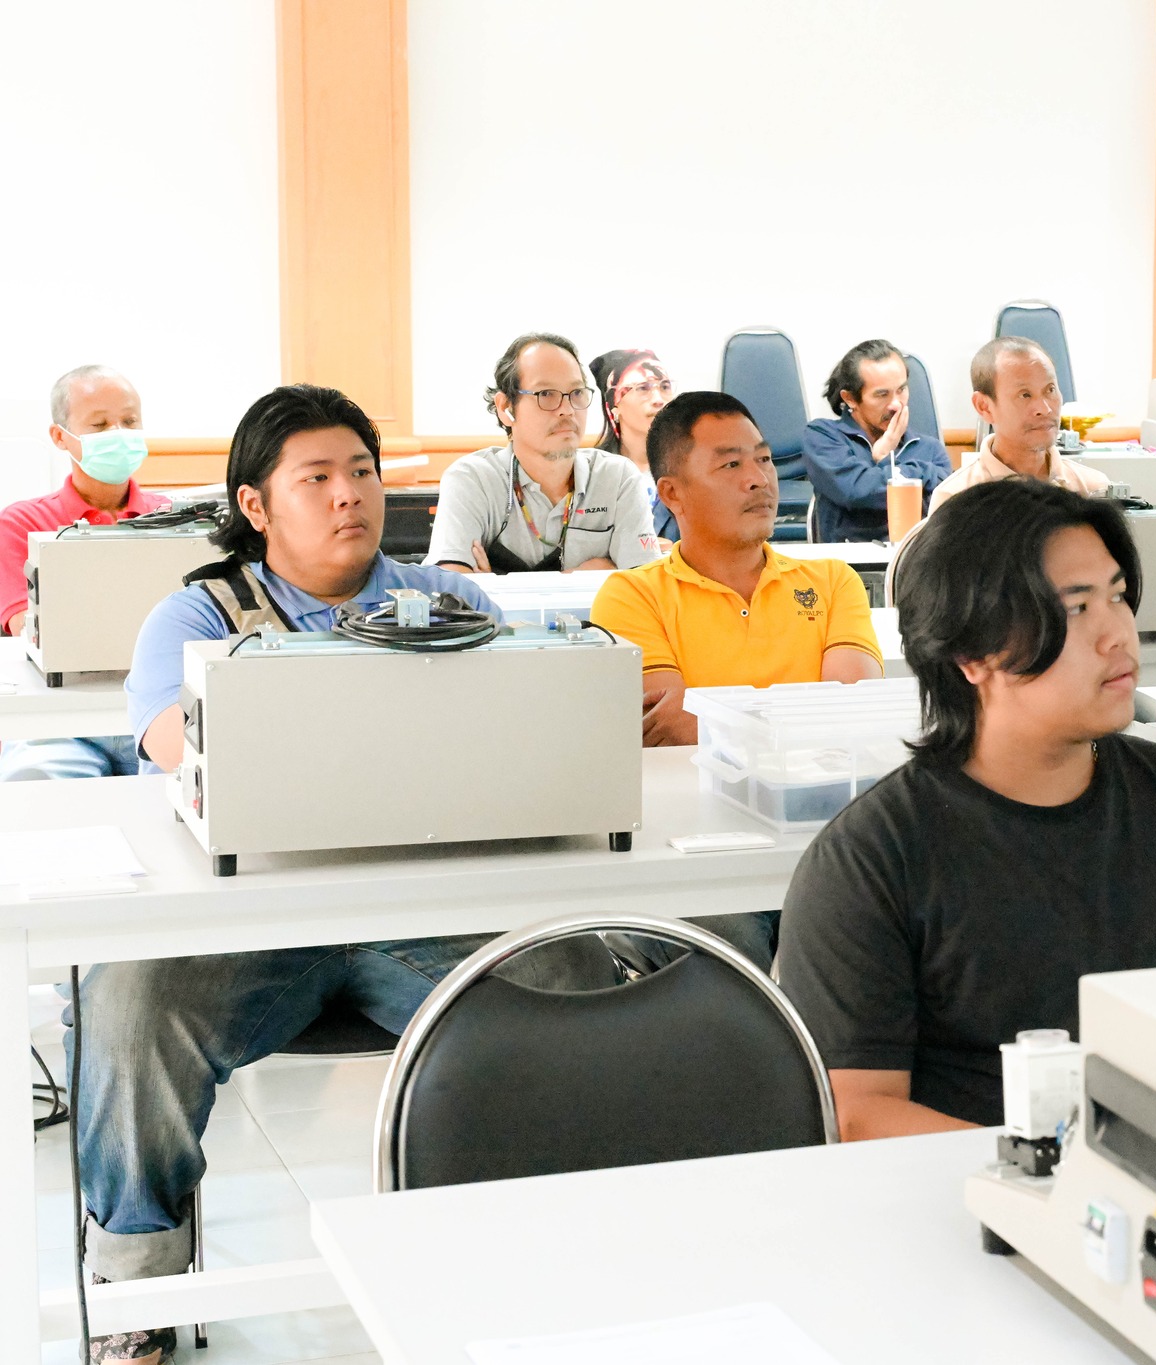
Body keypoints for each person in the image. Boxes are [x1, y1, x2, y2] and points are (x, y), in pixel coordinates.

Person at [89, 384, 609, 1364]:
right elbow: (177, 745)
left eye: (362, 472)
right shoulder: (195, 614)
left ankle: (546, 1244)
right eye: (317, 477)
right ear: (255, 505)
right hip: (249, 925)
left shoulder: (453, 604)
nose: (349, 495)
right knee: (126, 1005)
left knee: (575, 974)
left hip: (427, 912)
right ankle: (136, 1282)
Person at [776, 479, 1156, 1137]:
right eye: (1076, 608)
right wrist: (1067, 1171)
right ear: (972, 654)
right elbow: (857, 1113)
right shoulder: (871, 860)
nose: (1118, 634)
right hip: (979, 1187)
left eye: (1117, 596)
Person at [591, 391, 884, 970]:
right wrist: (803, 715)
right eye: (730, 464)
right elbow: (670, 727)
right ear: (671, 493)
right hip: (697, 851)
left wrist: (721, 716)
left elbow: (852, 710)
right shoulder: (632, 595)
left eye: (765, 459)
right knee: (730, 948)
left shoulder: (832, 581)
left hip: (821, 838)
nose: (759, 479)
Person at [0, 365, 166, 782]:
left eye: (129, 421)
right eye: (100, 425)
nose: (119, 434)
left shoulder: (175, 519)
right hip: (60, 719)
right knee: (35, 784)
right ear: (60, 437)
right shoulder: (22, 524)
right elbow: (28, 626)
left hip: (158, 711)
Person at [425, 332, 660, 574]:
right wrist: (584, 576)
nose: (567, 410)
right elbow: (452, 583)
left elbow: (644, 581)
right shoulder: (473, 479)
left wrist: (494, 583)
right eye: (546, 394)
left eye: (577, 393)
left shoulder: (617, 478)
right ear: (505, 408)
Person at [927, 338, 1108, 510]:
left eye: (1050, 390)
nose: (1045, 409)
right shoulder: (955, 498)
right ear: (984, 407)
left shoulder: (1093, 490)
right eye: (1025, 395)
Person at [801, 339, 953, 542]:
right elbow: (857, 492)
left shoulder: (929, 448)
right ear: (850, 398)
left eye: (901, 390)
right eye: (882, 395)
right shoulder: (822, 436)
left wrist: (884, 463)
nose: (896, 404)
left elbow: (945, 504)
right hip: (849, 559)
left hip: (914, 557)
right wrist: (923, 473)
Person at [590, 347, 676, 541]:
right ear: (614, 406)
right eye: (643, 388)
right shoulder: (590, 475)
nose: (658, 400)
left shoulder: (692, 469)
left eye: (665, 387)